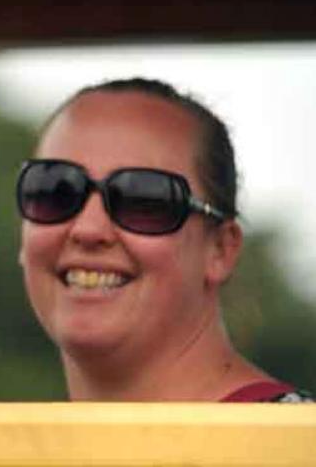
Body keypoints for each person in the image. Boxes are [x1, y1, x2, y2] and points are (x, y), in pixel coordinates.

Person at [15, 77, 312, 402]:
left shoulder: (298, 447)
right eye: (56, 190)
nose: (88, 229)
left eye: (143, 200)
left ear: (221, 250)